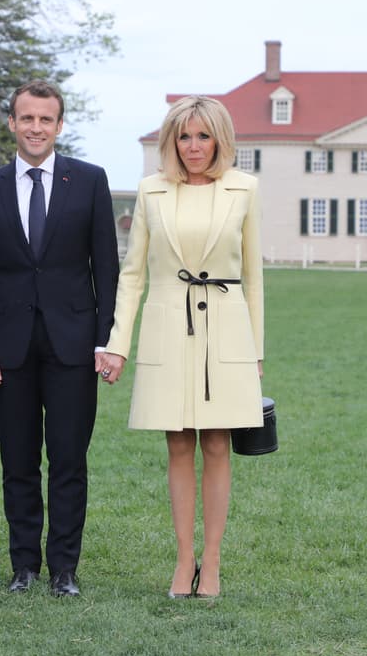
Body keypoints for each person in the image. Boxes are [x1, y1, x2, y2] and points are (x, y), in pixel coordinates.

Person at [100, 95, 264, 600]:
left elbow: (254, 278)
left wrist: (256, 354)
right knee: (177, 442)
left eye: (203, 136)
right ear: (172, 140)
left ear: (219, 139)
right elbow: (132, 277)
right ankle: (183, 559)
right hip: (168, 326)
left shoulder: (245, 190)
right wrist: (117, 344)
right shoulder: (151, 192)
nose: (193, 146)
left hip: (227, 327)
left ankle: (211, 563)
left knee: (216, 444)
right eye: (184, 136)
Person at [0, 80, 119, 597]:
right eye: (26, 118)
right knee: (18, 462)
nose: (35, 128)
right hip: (7, 350)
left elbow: (107, 268)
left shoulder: (90, 181)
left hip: (74, 346)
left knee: (70, 461)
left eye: (45, 119)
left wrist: (105, 339)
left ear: (59, 125)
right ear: (12, 123)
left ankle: (64, 570)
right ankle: (24, 566)